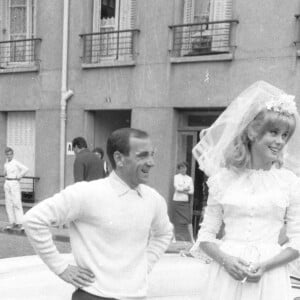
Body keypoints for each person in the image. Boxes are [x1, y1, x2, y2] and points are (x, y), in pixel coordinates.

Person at [23, 128, 173, 300]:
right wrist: (60, 268)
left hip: (137, 296)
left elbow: (163, 234)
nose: (152, 162)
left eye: (152, 154)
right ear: (119, 158)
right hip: (94, 295)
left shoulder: (153, 199)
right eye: (143, 155)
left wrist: (145, 264)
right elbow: (33, 220)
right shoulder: (87, 193)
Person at [191, 81, 300, 299]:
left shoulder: (289, 182)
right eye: (274, 132)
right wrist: (226, 260)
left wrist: (266, 266)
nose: (280, 141)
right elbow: (205, 236)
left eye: (285, 135)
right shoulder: (222, 180)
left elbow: (297, 241)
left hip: (270, 277)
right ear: (252, 132)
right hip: (226, 274)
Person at [3, 147, 28, 230]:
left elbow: (25, 169)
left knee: (17, 203)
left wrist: (19, 176)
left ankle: (21, 223)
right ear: (6, 155)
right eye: (7, 154)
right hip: (7, 183)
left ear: (13, 154)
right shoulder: (6, 164)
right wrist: (6, 176)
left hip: (14, 183)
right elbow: (5, 173)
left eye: (10, 154)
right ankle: (12, 223)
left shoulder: (16, 163)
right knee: (9, 204)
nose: (9, 156)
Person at [172, 161, 195, 242]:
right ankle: (173, 238)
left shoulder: (189, 178)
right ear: (179, 169)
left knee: (189, 220)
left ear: (186, 168)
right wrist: (185, 189)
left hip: (185, 202)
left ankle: (192, 239)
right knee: (175, 220)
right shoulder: (176, 177)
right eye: (181, 168)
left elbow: (191, 191)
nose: (183, 169)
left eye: (184, 167)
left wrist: (182, 189)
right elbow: (177, 188)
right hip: (177, 201)